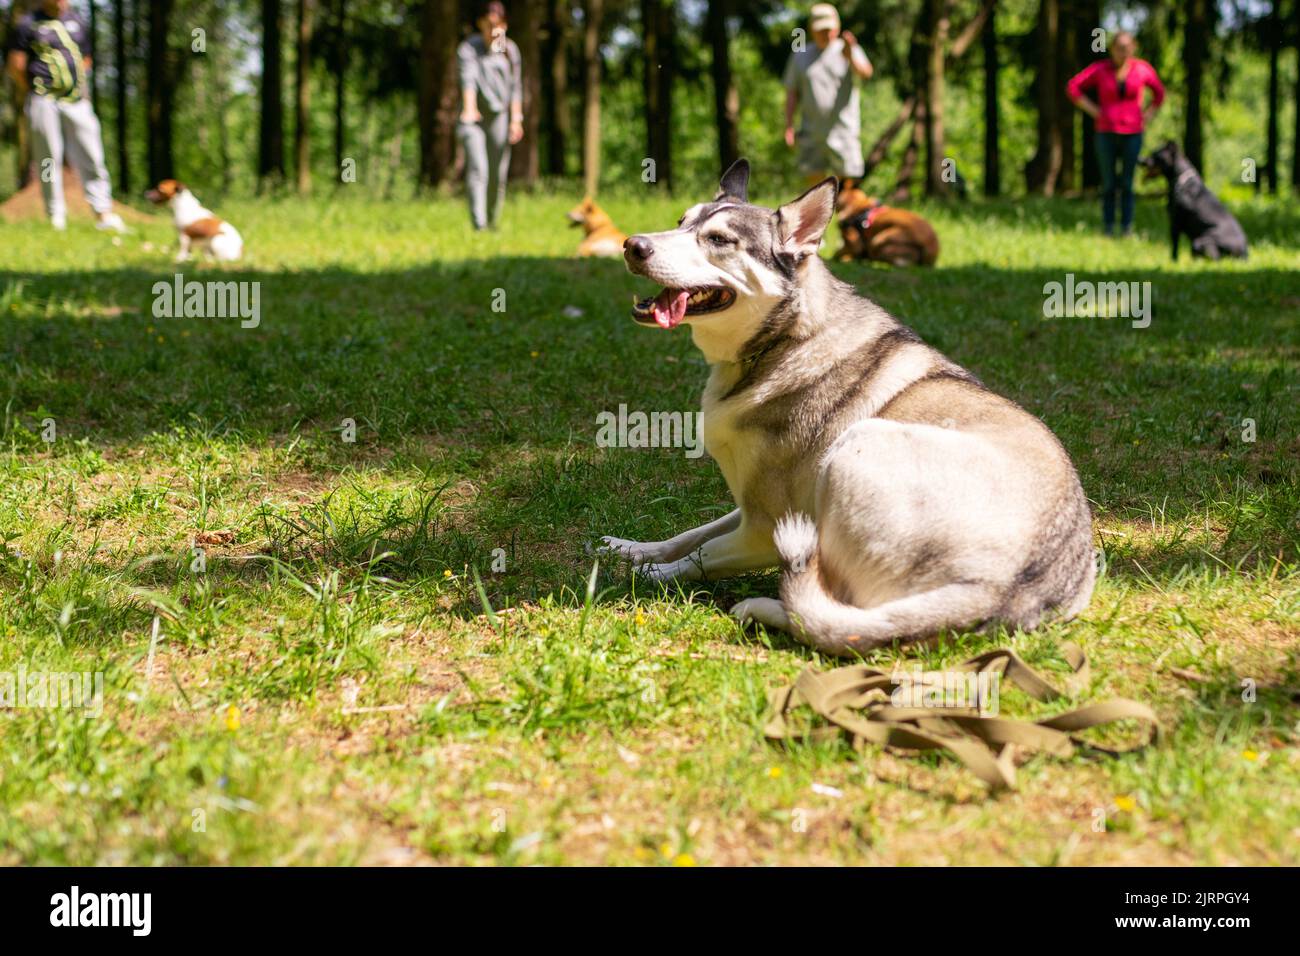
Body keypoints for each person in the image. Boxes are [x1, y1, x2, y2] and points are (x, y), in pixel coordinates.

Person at [4, 0, 126, 232]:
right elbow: (16, 64)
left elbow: (86, 57)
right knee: (48, 158)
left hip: (77, 101)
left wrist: (74, 82)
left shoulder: (77, 20)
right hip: (43, 100)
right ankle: (55, 216)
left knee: (92, 153)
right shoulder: (28, 24)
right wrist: (35, 89)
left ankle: (103, 213)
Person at [1067, 31, 1165, 237]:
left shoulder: (1142, 69)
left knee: (1127, 183)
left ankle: (1127, 227)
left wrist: (1147, 116)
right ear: (1111, 48)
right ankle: (1109, 227)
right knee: (1109, 183)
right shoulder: (1101, 69)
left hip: (1132, 133)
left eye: (1126, 47)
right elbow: (1073, 87)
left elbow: (1159, 94)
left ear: (1133, 47)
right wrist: (1093, 111)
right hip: (1106, 132)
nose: (1123, 51)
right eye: (1119, 47)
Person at [782, 3, 873, 187]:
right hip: (811, 133)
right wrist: (789, 125)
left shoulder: (848, 49)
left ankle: (845, 217)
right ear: (811, 30)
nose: (825, 34)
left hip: (844, 132)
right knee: (815, 191)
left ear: (837, 27)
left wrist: (850, 56)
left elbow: (866, 73)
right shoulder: (800, 55)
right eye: (820, 30)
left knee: (847, 189)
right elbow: (792, 92)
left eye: (829, 29)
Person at [456, 1, 523, 231]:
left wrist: (516, 119)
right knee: (478, 169)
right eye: (488, 24)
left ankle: (493, 221)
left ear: (504, 25)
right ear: (480, 24)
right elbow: (469, 79)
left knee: (497, 174)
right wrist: (469, 108)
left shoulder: (510, 50)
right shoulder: (469, 48)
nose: (492, 29)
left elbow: (515, 87)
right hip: (473, 118)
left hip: (500, 117)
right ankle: (479, 226)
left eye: (497, 24)